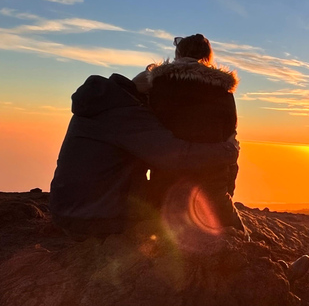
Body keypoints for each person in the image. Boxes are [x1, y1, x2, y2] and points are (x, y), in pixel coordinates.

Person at [50, 71, 240, 239]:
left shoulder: (105, 103)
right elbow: (175, 155)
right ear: (149, 95)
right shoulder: (129, 114)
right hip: (93, 218)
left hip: (70, 208)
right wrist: (228, 149)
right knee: (178, 213)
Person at [133, 34, 245, 233]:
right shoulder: (223, 91)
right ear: (208, 58)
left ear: (177, 55)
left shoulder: (154, 83)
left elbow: (129, 98)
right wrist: (225, 191)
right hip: (210, 186)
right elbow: (230, 143)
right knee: (238, 234)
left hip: (164, 184)